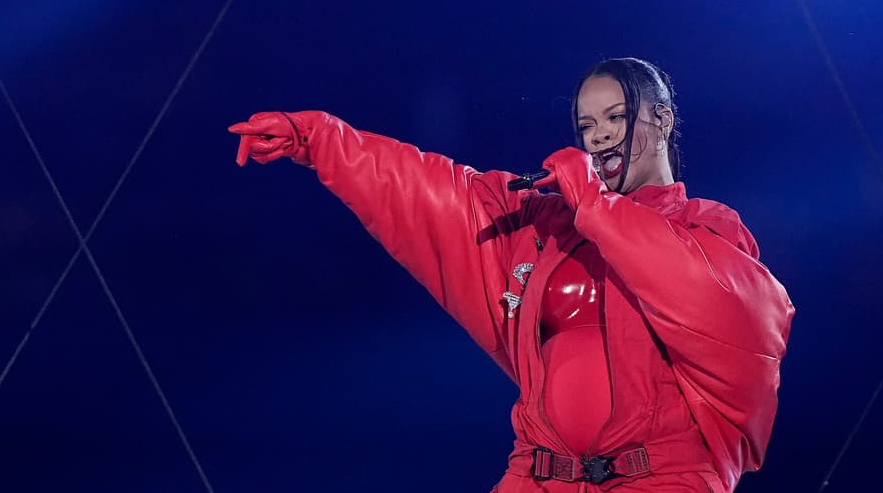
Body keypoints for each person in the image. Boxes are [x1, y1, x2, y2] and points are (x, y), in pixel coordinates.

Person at [228, 57, 793, 491]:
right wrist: (319, 138)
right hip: (539, 475)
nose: (598, 135)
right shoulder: (543, 224)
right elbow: (436, 192)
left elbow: (722, 306)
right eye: (586, 123)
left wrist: (598, 208)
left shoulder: (705, 227)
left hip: (660, 478)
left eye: (617, 118)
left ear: (663, 120)